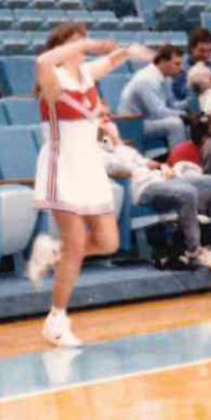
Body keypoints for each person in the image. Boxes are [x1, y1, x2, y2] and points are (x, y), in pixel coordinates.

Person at [26, 28, 152, 348]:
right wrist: (84, 43)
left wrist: (128, 52)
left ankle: (52, 252)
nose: (82, 48)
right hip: (62, 165)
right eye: (73, 42)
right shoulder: (50, 77)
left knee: (108, 242)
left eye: (83, 41)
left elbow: (107, 62)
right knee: (78, 242)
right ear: (60, 48)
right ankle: (56, 319)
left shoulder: (84, 73)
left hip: (90, 167)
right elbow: (41, 59)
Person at [99, 118, 211, 269]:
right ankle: (194, 252)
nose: (109, 121)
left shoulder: (121, 148)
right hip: (141, 188)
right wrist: (117, 140)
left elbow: (145, 162)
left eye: (108, 116)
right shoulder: (96, 151)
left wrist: (164, 167)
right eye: (103, 118)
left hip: (160, 179)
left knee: (210, 184)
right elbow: (122, 167)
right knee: (188, 193)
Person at [118, 44, 189, 151]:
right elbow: (158, 113)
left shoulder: (166, 77)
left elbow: (172, 104)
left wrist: (191, 102)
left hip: (149, 119)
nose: (181, 68)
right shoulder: (146, 79)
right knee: (176, 124)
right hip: (133, 124)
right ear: (163, 62)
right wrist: (184, 116)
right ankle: (178, 163)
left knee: (189, 123)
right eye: (177, 64)